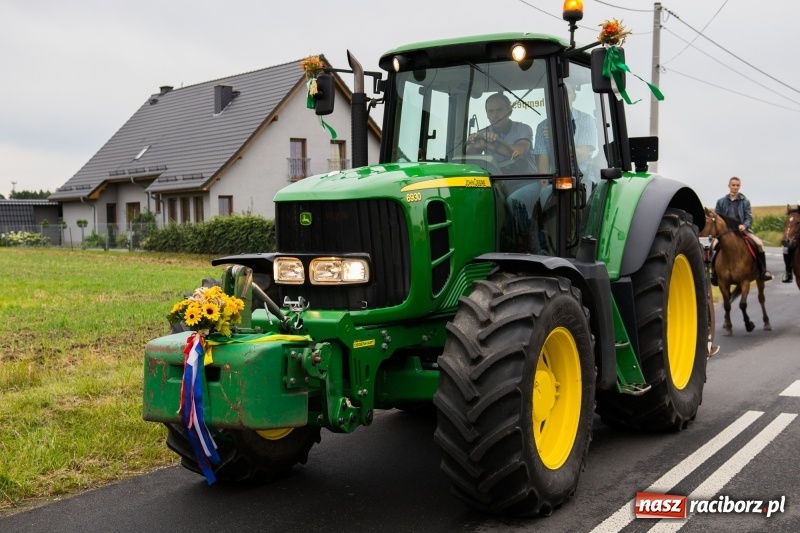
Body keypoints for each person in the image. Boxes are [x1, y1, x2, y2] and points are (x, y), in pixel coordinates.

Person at [710, 176, 773, 284]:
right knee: (712, 246)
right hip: (725, 232)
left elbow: (748, 217)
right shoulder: (721, 202)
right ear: (729, 186)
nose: (735, 187)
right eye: (733, 185)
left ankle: (763, 272)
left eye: (737, 185)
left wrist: (745, 225)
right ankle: (714, 274)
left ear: (740, 186)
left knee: (759, 244)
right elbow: (717, 217)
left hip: (741, 230)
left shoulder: (745, 202)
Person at [465, 92, 536, 174]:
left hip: (525, 181)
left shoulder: (523, 128)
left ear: (509, 112)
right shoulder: (482, 133)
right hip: (496, 184)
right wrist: (473, 145)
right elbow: (468, 161)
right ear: (487, 114)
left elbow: (520, 151)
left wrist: (488, 145)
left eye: (500, 110)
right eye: (491, 111)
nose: (495, 115)